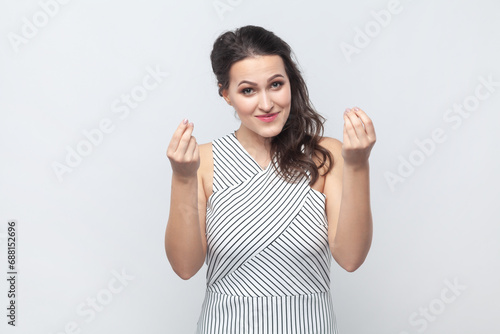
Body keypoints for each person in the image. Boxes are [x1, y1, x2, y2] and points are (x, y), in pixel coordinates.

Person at [164, 25, 376, 334]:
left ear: (291, 82)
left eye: (276, 84)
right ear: (226, 94)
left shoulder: (325, 155)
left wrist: (358, 165)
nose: (266, 104)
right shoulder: (202, 162)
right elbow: (185, 267)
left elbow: (351, 258)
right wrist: (182, 178)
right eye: (248, 90)